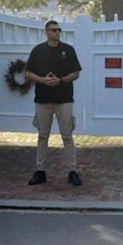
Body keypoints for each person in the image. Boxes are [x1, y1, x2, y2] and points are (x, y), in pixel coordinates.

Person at [24, 19, 83, 186]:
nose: (57, 33)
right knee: (43, 135)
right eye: (54, 30)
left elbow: (76, 73)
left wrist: (61, 80)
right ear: (46, 32)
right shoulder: (38, 51)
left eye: (59, 30)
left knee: (67, 135)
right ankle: (40, 171)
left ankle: (72, 171)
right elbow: (28, 73)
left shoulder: (68, 50)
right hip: (43, 99)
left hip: (64, 99)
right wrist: (43, 80)